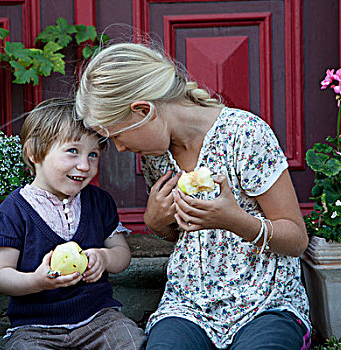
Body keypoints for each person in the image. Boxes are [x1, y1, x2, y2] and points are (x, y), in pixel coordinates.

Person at [76, 42, 311, 350]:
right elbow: (190, 238)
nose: (119, 148)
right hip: (188, 307)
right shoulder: (155, 155)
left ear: (143, 110)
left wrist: (236, 221)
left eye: (117, 135)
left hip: (266, 304)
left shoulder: (245, 134)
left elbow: (296, 239)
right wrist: (156, 223)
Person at [0, 98, 147, 350]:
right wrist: (37, 281)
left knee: (132, 341)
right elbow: (0, 276)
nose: (84, 165)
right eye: (73, 151)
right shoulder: (11, 213)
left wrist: (104, 257)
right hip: (35, 327)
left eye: (93, 154)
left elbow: (122, 254)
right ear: (35, 153)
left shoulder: (98, 201)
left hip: (99, 319)